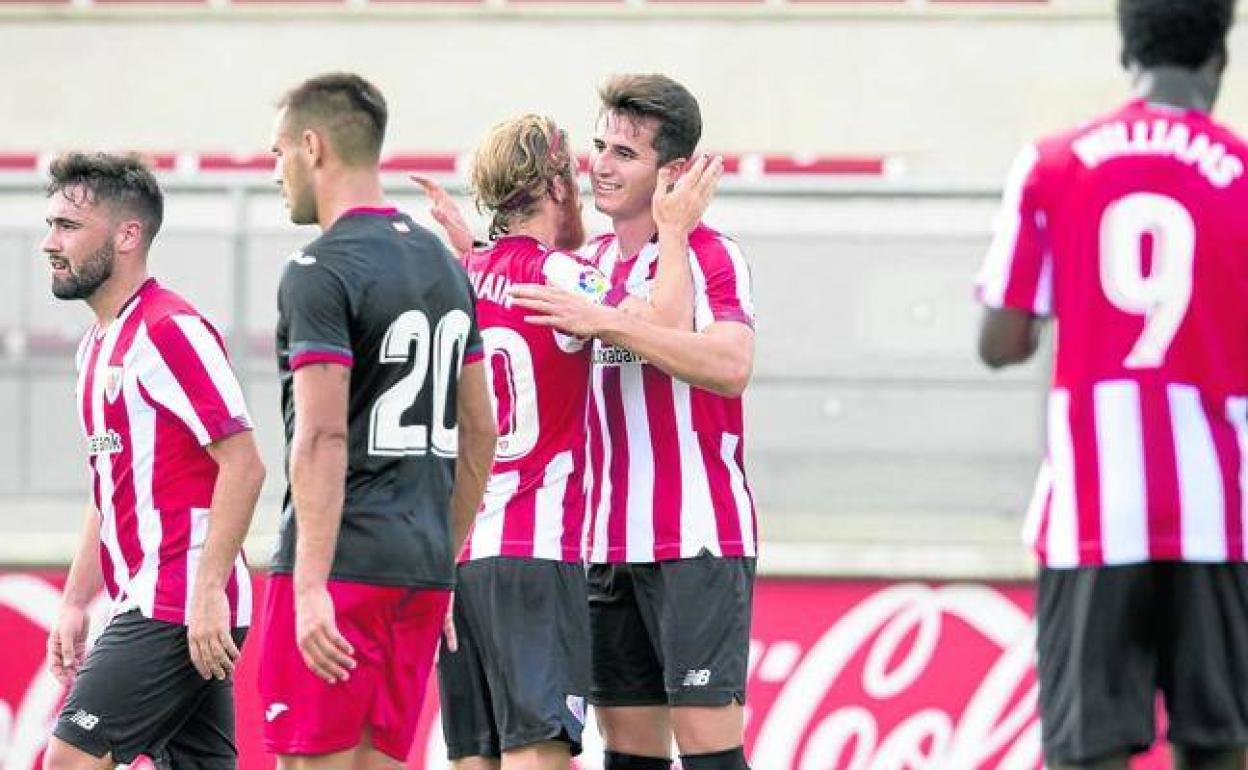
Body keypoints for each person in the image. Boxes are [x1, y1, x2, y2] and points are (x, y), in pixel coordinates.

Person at [975, 1, 1248, 767]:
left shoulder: (1054, 163)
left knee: (1087, 752)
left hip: (1092, 512)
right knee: (1222, 744)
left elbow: (1000, 341)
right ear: (1218, 59)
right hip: (1223, 516)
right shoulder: (1245, 173)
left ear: (1127, 54)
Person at [432, 113, 720, 770]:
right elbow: (664, 325)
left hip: (457, 560)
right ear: (557, 185)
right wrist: (673, 234)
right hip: (536, 554)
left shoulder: (459, 276)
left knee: (474, 759)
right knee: (540, 754)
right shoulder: (565, 277)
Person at [503, 74, 757, 770]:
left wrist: (608, 321)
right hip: (604, 544)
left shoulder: (711, 255)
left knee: (709, 751)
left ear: (672, 172)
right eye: (598, 146)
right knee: (630, 753)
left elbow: (729, 367)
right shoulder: (584, 263)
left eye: (625, 153)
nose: (602, 166)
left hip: (694, 539)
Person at [258, 72, 497, 770]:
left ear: (312, 146)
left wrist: (308, 588)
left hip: (342, 564)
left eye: (277, 153)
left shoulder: (319, 269)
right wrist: (441, 561)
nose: (276, 172)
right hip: (420, 569)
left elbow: (324, 433)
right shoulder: (444, 265)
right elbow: (480, 426)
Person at [40, 152, 265, 770]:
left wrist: (210, 591)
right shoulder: (95, 347)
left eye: (67, 227)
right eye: (50, 225)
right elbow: (111, 488)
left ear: (127, 236)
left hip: (180, 599)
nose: (48, 243)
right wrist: (73, 601)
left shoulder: (171, 330)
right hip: (157, 600)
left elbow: (244, 465)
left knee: (69, 759)